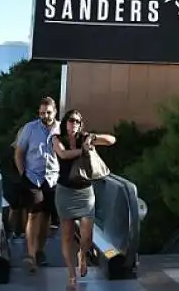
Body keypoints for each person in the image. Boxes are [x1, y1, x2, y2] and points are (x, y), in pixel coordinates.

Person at [51, 110, 116, 287]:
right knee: (67, 235)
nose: (74, 124)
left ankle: (82, 255)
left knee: (87, 236)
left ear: (81, 124)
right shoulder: (57, 139)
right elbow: (63, 155)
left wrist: (93, 138)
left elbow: (111, 140)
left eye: (77, 122)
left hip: (85, 192)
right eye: (71, 121)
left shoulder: (85, 137)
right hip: (65, 191)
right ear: (65, 123)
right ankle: (71, 274)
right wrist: (84, 150)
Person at [15, 97, 61, 272]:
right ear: (38, 113)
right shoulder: (30, 128)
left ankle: (40, 251)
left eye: (48, 112)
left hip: (52, 179)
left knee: (46, 217)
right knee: (34, 215)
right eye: (42, 113)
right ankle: (31, 254)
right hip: (33, 177)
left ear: (54, 112)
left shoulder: (60, 129)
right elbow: (19, 153)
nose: (45, 116)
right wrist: (23, 174)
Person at [0, 127, 27, 240]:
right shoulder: (13, 151)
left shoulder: (13, 149)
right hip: (14, 184)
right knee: (18, 208)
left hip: (15, 183)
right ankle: (14, 233)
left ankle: (16, 233)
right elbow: (7, 171)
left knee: (20, 208)